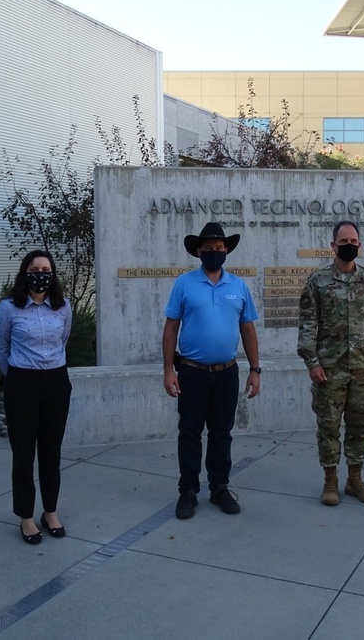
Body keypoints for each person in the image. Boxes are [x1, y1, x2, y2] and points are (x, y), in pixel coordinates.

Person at [163, 222, 261, 519]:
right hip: (192, 373)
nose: (215, 253)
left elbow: (248, 329)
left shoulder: (238, 286)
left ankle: (219, 487)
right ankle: (188, 491)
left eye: (220, 248)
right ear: (198, 251)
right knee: (189, 433)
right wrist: (168, 370)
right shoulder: (184, 284)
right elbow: (171, 329)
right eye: (209, 249)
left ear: (227, 251)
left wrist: (255, 369)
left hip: (227, 373)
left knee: (222, 433)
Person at [298, 220, 364, 506]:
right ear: (333, 245)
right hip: (329, 369)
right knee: (328, 426)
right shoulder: (317, 281)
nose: (349, 245)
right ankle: (330, 481)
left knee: (359, 426)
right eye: (343, 241)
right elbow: (307, 324)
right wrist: (312, 361)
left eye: (353, 241)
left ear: (360, 244)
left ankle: (354, 479)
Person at [0, 250, 74, 543]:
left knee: (51, 452)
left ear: (52, 275)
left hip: (55, 382)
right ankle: (26, 516)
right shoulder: (8, 309)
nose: (40, 273)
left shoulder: (63, 307)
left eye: (46, 269)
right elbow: (1, 350)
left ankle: (50, 511)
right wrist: (18, 378)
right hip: (22, 383)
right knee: (24, 453)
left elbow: (63, 340)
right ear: (25, 272)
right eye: (35, 268)